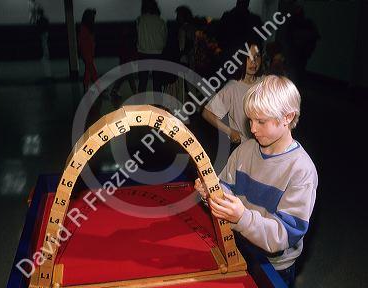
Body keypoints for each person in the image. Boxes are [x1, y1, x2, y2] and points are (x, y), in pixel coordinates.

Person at [195, 75, 318, 287]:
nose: (252, 129)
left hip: (274, 265)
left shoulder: (301, 170)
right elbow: (226, 189)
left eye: (261, 121)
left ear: (287, 117)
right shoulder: (244, 150)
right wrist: (212, 193)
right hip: (239, 245)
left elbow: (285, 235)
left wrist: (242, 217)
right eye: (250, 120)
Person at [202, 42, 263, 152]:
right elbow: (207, 113)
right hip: (245, 149)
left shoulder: (265, 82)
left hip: (265, 147)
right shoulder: (232, 88)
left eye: (257, 56)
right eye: (248, 57)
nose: (253, 61)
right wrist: (230, 131)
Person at [136, 0, 167, 93]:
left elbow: (136, 36)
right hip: (158, 53)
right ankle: (158, 104)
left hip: (143, 53)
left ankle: (141, 104)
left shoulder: (140, 20)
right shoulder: (161, 21)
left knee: (142, 82)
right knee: (157, 82)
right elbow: (164, 38)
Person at [79, 8, 98, 93]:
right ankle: (99, 88)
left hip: (89, 53)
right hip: (87, 53)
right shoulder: (84, 29)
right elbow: (84, 43)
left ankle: (86, 87)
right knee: (92, 71)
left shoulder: (87, 27)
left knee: (88, 71)